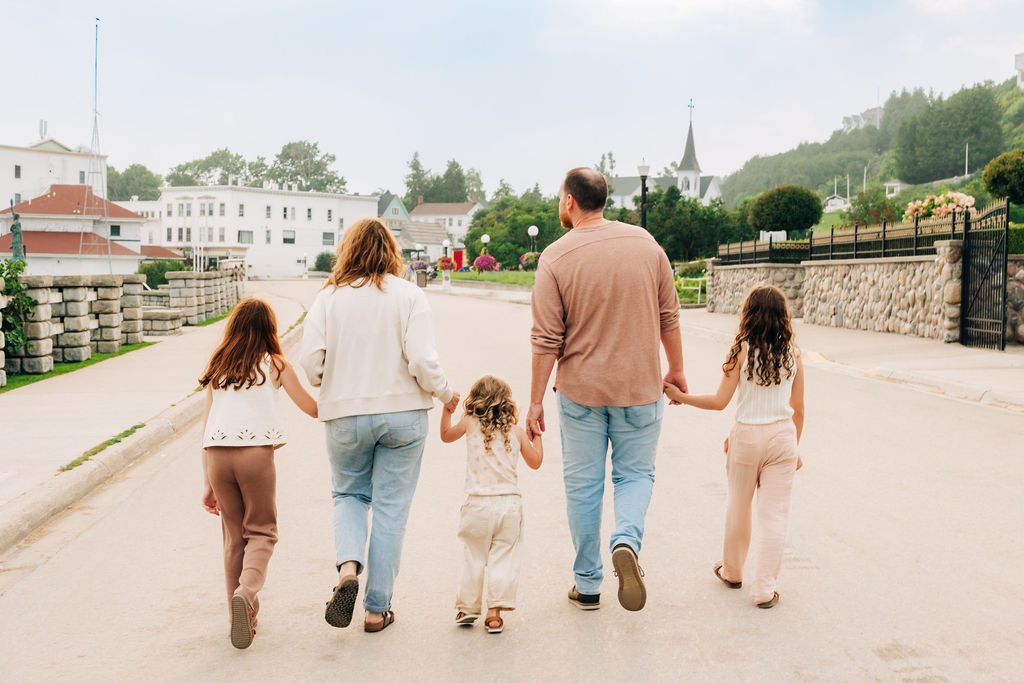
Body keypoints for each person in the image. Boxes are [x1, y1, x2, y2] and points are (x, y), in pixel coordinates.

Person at [528, 167, 686, 612]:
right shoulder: (647, 245)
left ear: (570, 201)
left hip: (582, 392)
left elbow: (546, 340)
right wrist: (676, 369)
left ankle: (588, 585)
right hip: (640, 386)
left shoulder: (555, 258)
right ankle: (626, 542)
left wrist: (536, 401)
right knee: (635, 475)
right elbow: (669, 316)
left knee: (583, 486)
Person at [300, 218, 459, 633]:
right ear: (392, 251)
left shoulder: (328, 298)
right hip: (403, 415)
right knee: (390, 509)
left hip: (344, 415)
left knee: (349, 495)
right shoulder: (408, 294)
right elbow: (421, 359)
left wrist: (332, 380)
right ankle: (376, 609)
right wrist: (445, 394)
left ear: (347, 250)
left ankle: (348, 570)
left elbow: (310, 362)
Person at [663, 284, 804, 609]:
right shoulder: (794, 354)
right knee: (775, 515)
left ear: (749, 314)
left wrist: (681, 396)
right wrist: (794, 448)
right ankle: (764, 590)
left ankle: (733, 572)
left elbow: (719, 401)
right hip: (783, 438)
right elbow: (799, 410)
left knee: (739, 507)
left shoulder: (741, 350)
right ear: (783, 316)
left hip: (747, 437)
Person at [198, 297, 319, 649]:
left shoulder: (218, 365)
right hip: (255, 454)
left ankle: (239, 616)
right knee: (262, 532)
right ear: (269, 329)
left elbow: (206, 426)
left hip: (217, 455)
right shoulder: (276, 364)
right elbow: (311, 408)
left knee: (234, 539)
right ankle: (246, 594)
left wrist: (207, 482)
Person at [439, 375, 543, 634]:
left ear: (475, 400)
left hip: (477, 505)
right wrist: (537, 435)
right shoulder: (516, 432)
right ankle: (494, 614)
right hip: (509, 506)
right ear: (507, 402)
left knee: (473, 557)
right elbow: (536, 462)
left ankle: (467, 609)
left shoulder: (469, 423)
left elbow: (445, 436)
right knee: (503, 558)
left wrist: (447, 410)